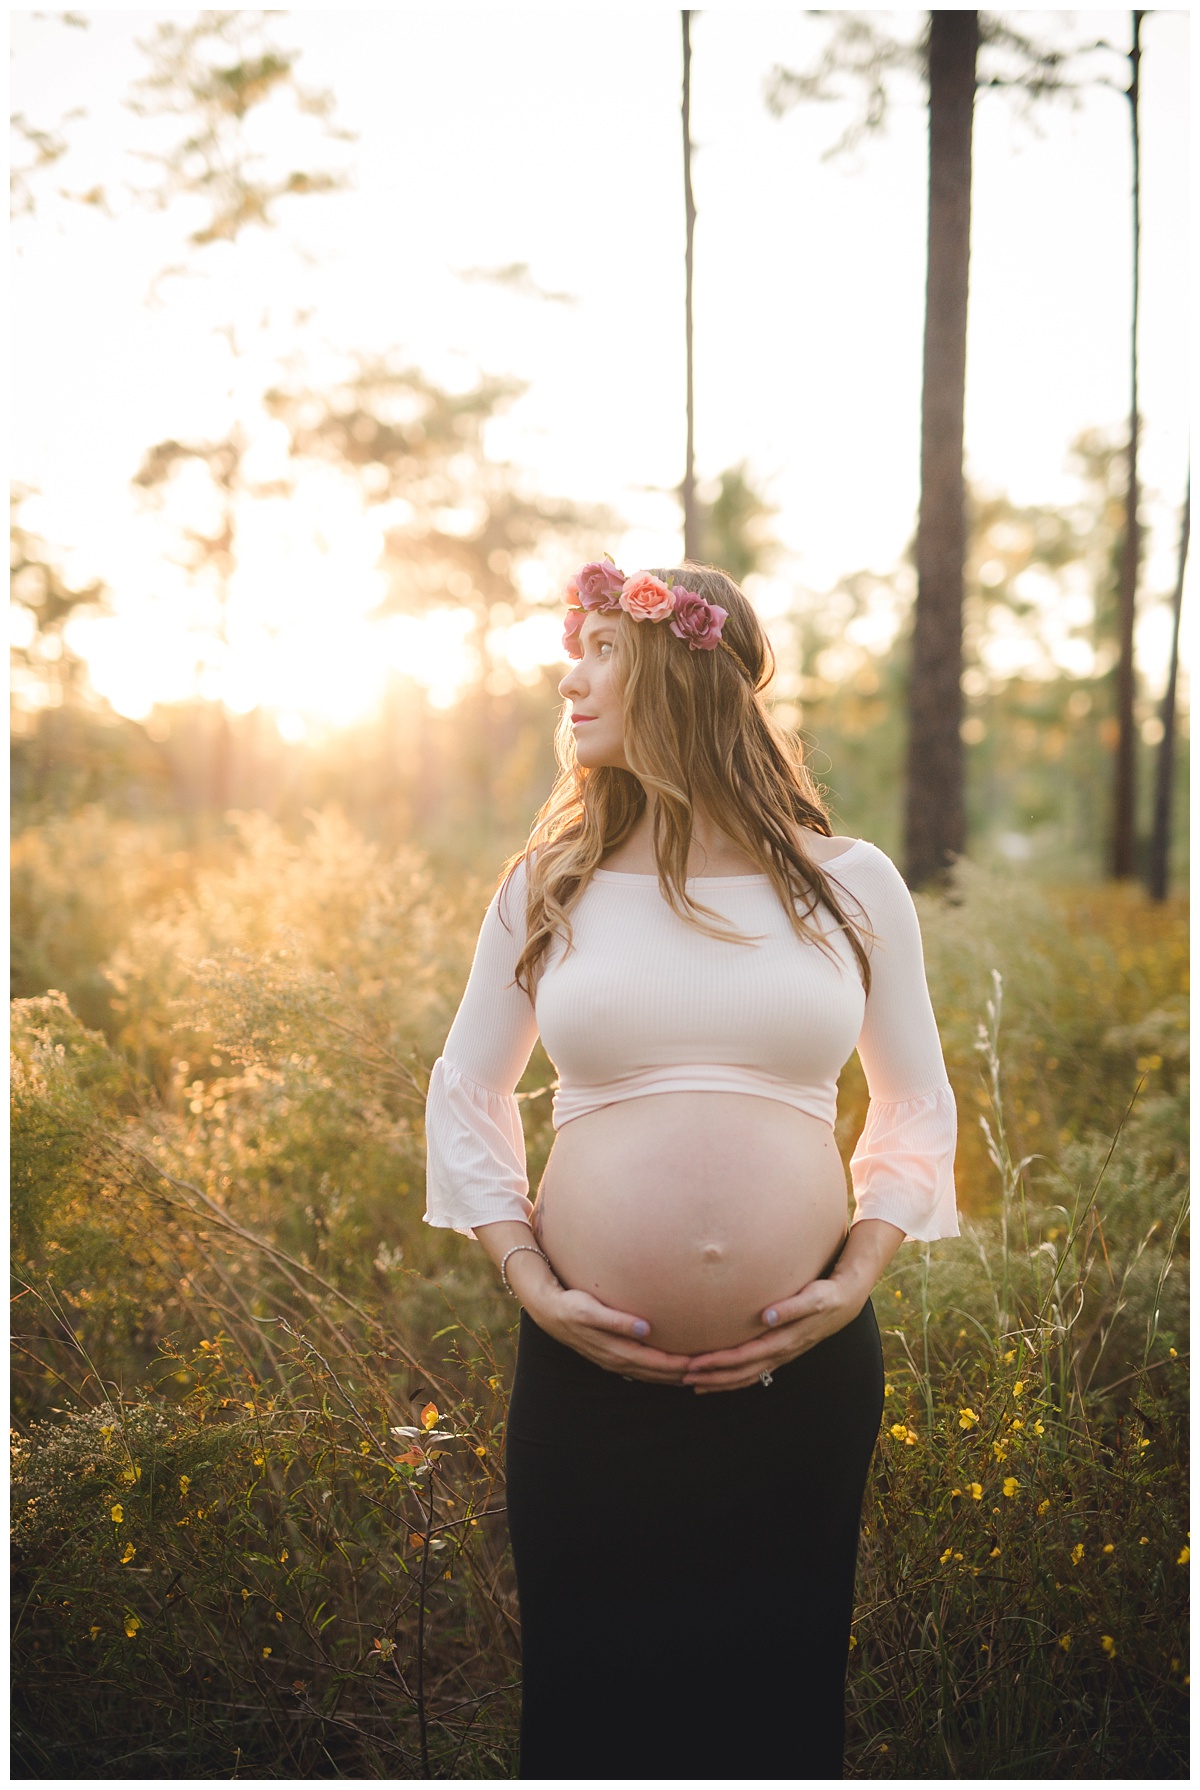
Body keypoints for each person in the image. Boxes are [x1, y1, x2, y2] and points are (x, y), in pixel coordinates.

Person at [424, 560, 959, 1780]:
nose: (571, 674)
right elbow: (468, 1091)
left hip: (802, 1379)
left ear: (680, 669)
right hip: (586, 1374)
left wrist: (853, 1281)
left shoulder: (849, 883)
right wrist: (530, 1280)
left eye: (602, 648)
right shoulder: (548, 883)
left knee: (775, 1705)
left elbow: (916, 1101)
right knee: (590, 1706)